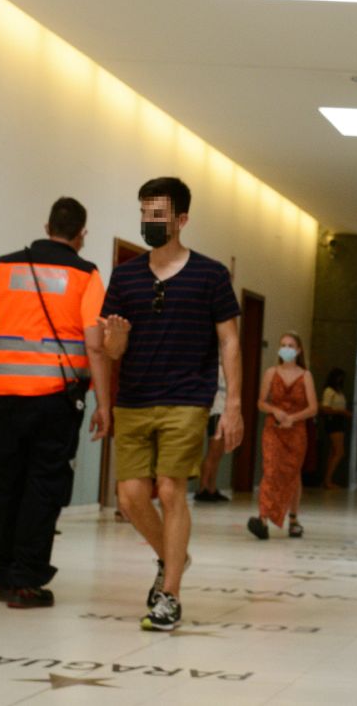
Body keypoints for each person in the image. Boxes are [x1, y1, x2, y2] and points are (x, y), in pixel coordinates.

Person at [100, 177, 243, 632]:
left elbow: (230, 342)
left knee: (169, 489)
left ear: (181, 219)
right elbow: (112, 350)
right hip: (135, 400)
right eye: (145, 214)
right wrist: (115, 339)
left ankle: (171, 594)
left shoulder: (211, 274)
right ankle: (173, 556)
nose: (150, 223)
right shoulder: (124, 276)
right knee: (130, 498)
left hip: (187, 399)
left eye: (159, 215)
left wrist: (234, 405)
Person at [0, 197, 110, 609]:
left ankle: (3, 572)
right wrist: (104, 403)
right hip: (57, 402)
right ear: (81, 234)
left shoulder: (7, 266)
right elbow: (95, 346)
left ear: (47, 225)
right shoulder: (86, 274)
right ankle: (26, 578)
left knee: (5, 481)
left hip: (8, 398)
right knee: (44, 486)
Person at [247, 332, 318, 539]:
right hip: (274, 428)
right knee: (270, 469)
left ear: (298, 350)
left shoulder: (306, 376)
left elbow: (313, 407)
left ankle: (293, 519)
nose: (286, 348)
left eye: (290, 345)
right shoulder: (271, 373)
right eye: (283, 344)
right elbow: (261, 402)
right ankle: (263, 518)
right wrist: (275, 411)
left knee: (292, 473)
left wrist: (293, 418)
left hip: (296, 431)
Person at [193, 373, 230, 503]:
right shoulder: (216, 368)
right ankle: (202, 488)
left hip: (226, 412)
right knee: (212, 453)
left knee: (218, 454)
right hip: (216, 411)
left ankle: (212, 488)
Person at [317, 367, 351, 490]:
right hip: (333, 421)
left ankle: (327, 480)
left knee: (333, 452)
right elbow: (325, 408)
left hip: (339, 421)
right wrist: (342, 412)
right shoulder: (329, 391)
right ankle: (327, 480)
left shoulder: (339, 391)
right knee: (339, 451)